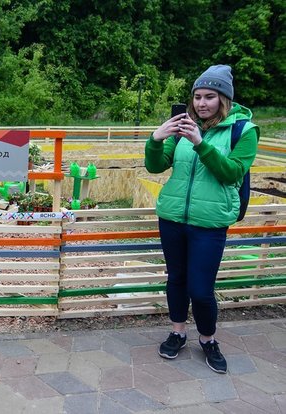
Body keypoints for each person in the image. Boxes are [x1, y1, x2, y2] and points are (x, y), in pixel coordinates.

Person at [144, 65, 259, 373]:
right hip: (172, 218)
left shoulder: (244, 131)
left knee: (200, 289)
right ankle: (178, 333)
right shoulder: (184, 125)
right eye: (197, 97)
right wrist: (156, 139)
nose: (201, 103)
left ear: (224, 99)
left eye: (210, 96)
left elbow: (232, 173)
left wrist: (200, 143)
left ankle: (208, 339)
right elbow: (156, 166)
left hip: (210, 223)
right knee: (176, 280)